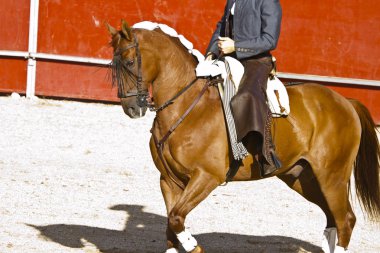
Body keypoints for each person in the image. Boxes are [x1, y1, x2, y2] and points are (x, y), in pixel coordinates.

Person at [206, 0, 283, 176]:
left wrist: (236, 46)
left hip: (257, 60)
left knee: (247, 95)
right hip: (228, 57)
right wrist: (211, 51)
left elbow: (270, 40)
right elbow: (221, 26)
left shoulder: (268, 2)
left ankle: (265, 154)